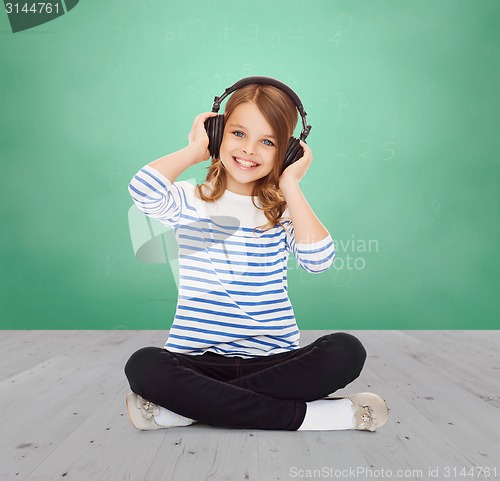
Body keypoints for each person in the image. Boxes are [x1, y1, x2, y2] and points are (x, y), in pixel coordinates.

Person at [124, 79, 388, 432]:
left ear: (288, 152)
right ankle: (317, 417)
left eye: (268, 142)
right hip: (195, 360)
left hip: (273, 361)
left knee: (346, 350)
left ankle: (183, 411)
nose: (249, 150)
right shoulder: (189, 200)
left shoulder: (283, 211)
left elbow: (319, 260)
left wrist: (291, 184)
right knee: (143, 365)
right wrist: (195, 149)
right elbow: (142, 189)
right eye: (237, 134)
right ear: (217, 134)